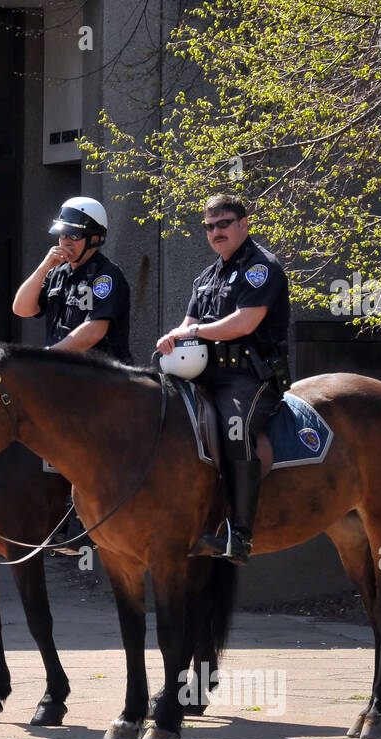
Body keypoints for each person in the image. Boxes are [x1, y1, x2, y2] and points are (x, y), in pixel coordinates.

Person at [156, 194, 291, 566]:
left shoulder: (260, 267)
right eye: (210, 226)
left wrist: (194, 331)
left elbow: (245, 322)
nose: (216, 232)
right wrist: (174, 335)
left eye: (224, 224)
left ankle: (240, 534)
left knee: (236, 430)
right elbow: (189, 323)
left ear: (244, 224)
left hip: (251, 376)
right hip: (206, 375)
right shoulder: (208, 275)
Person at [12, 196, 133, 363]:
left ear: (95, 239)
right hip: (63, 373)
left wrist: (48, 354)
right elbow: (22, 309)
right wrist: (43, 268)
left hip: (101, 378)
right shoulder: (56, 272)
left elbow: (94, 330)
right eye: (62, 234)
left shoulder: (106, 275)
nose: (66, 241)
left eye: (74, 235)